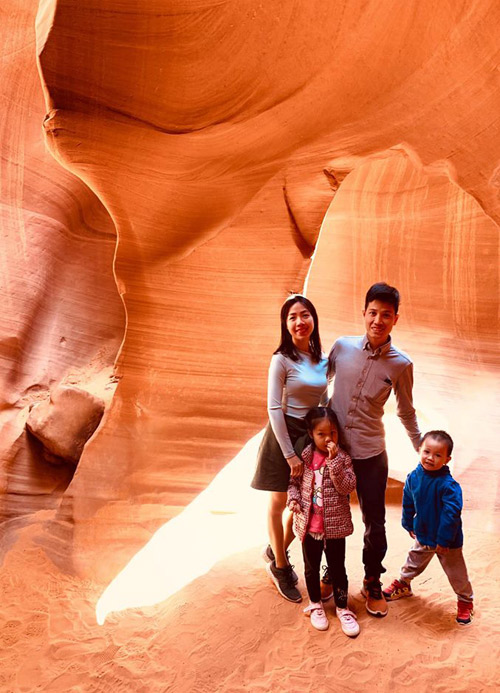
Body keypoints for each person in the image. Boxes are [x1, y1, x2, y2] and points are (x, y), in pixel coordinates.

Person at [325, 282, 421, 617]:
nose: (378, 320)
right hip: (335, 452)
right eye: (373, 313)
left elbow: (406, 411)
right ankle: (331, 572)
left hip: (371, 453)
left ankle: (372, 580)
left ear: (396, 319)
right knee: (330, 517)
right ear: (364, 313)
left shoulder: (401, 365)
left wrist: (421, 448)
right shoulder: (341, 346)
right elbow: (318, 384)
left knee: (375, 522)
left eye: (386, 315)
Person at [251, 294, 328, 603]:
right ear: (285, 324)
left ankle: (276, 550)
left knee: (303, 503)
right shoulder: (281, 359)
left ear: (314, 319)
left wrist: (324, 436)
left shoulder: (322, 359)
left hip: (308, 434)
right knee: (279, 500)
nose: (300, 321)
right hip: (283, 432)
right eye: (292, 317)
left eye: (305, 315)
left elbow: (322, 399)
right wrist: (289, 454)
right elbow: (273, 407)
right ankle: (280, 567)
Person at [383, 430, 474, 625]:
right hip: (423, 533)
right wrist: (408, 522)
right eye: (427, 452)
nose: (430, 458)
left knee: (456, 572)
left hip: (447, 542)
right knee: (413, 560)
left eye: (438, 455)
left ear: (447, 459)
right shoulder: (413, 477)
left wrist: (443, 540)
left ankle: (466, 601)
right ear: (419, 450)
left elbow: (451, 515)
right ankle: (404, 584)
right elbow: (408, 501)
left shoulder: (449, 486)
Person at [288, 407, 359, 636]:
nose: (328, 439)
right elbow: (293, 483)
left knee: (338, 569)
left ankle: (342, 607)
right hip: (309, 526)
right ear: (311, 434)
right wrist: (293, 499)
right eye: (321, 434)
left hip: (335, 528)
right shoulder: (305, 457)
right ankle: (316, 604)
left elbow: (347, 487)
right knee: (311, 569)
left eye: (333, 433)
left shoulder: (343, 458)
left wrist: (334, 462)